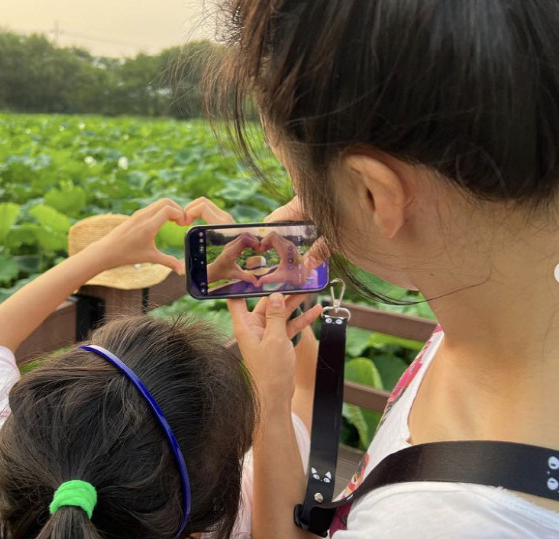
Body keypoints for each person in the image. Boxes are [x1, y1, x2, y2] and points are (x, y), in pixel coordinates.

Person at [211, 0, 559, 537]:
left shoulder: (429, 524)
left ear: (375, 193)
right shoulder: (510, 305)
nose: (300, 208)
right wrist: (335, 200)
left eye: (300, 181)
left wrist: (268, 404)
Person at [0, 197, 322, 539]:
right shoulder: (253, 514)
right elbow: (306, 393)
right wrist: (281, 306)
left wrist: (103, 251)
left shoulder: (5, 500)